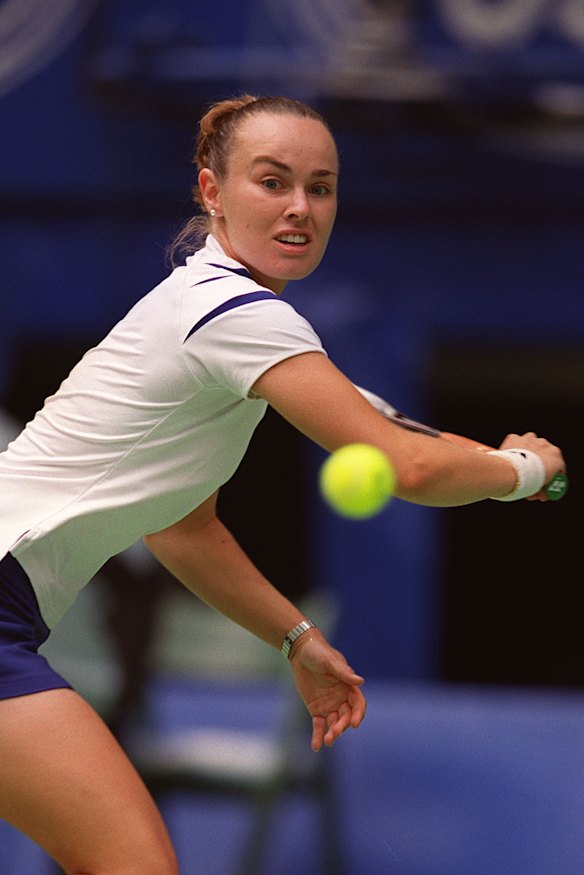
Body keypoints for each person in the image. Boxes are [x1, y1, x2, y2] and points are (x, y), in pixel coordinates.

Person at [0, 94, 565, 875]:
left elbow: (182, 530)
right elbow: (414, 464)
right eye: (273, 181)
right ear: (212, 192)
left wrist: (295, 639)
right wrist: (523, 469)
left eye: (321, 186)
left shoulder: (206, 313)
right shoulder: (238, 315)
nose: (301, 207)